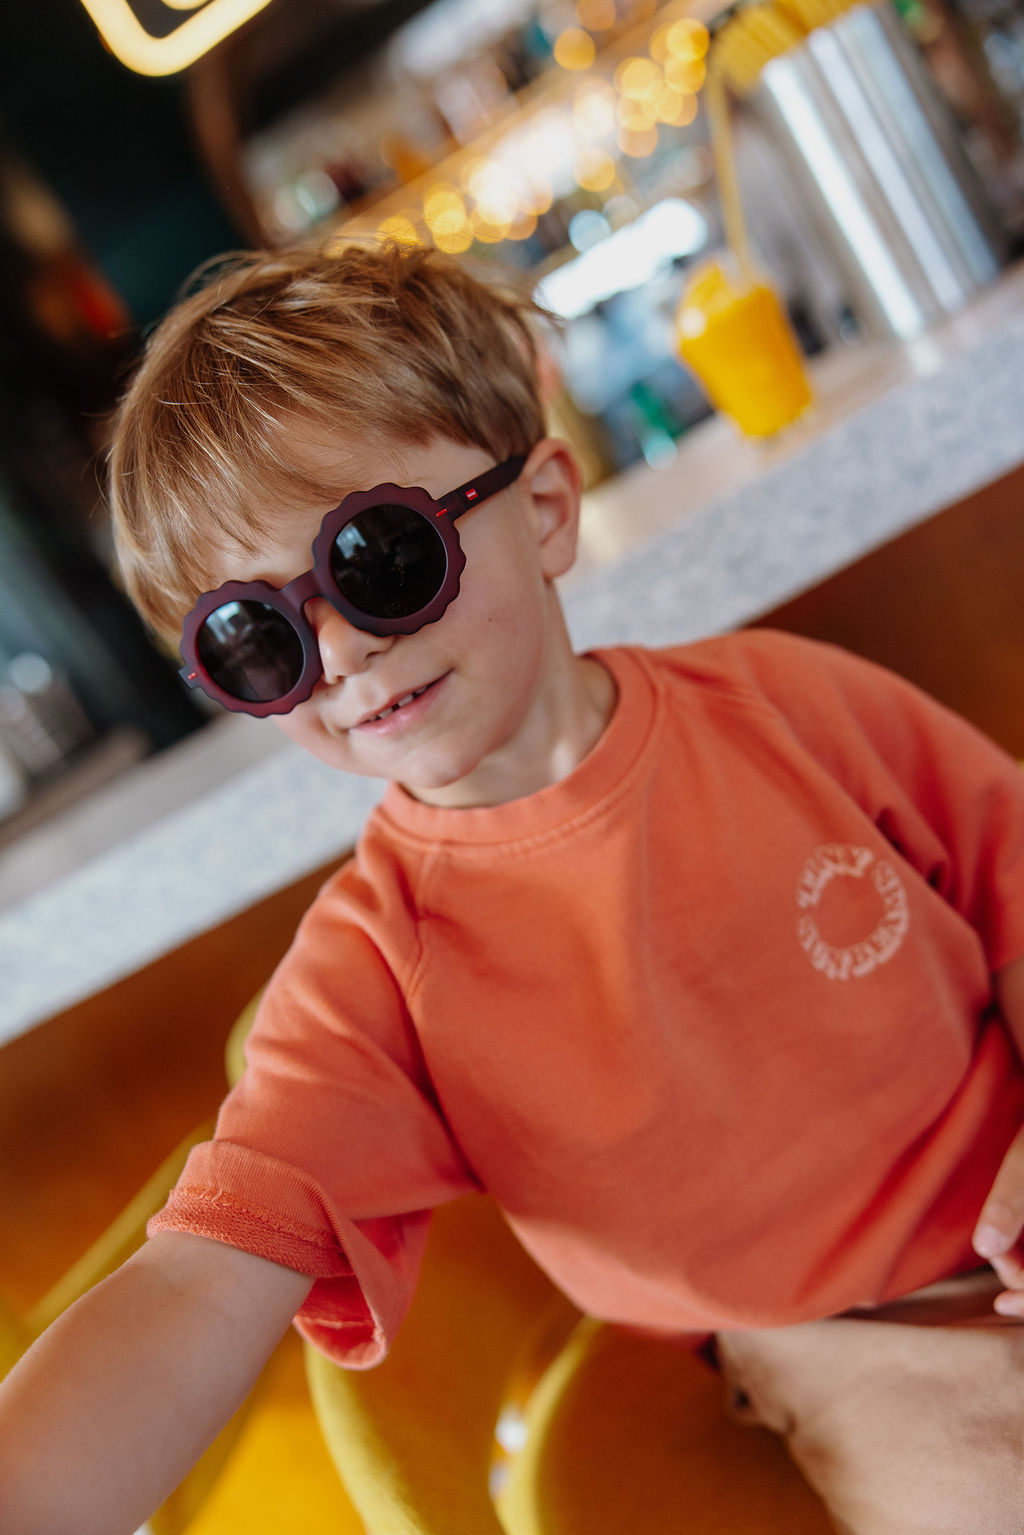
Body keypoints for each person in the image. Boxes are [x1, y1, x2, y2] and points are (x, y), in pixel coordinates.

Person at [2, 239, 1024, 1535]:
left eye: (377, 557)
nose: (339, 651)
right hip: (843, 1335)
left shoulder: (787, 706)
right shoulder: (374, 978)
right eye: (256, 637)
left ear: (542, 508)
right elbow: (202, 1276)